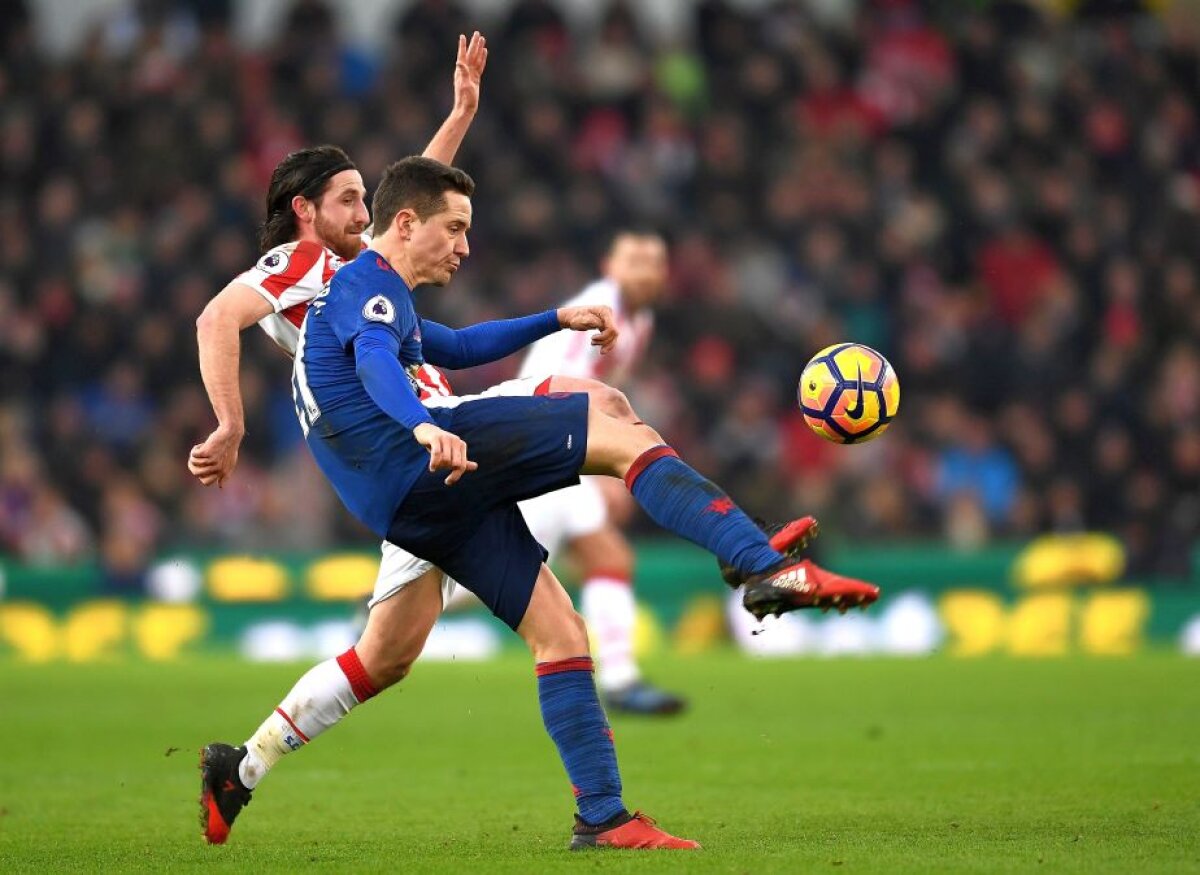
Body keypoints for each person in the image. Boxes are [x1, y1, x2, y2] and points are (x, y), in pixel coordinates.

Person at [279, 155, 880, 850]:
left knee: (561, 632)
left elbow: (460, 343)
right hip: (433, 455)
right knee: (621, 432)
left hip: (413, 504)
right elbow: (378, 361)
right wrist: (421, 423)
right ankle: (758, 566)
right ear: (407, 223)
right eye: (456, 228)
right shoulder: (364, 285)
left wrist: (554, 318)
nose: (466, 246)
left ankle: (603, 815)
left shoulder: (379, 296)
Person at [191, 32, 696, 847]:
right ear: (306, 213)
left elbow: (414, 203)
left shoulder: (374, 256)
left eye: (367, 202)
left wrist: (459, 113)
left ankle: (239, 767)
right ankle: (748, 554)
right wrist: (231, 420)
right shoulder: (299, 265)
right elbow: (218, 316)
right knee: (585, 397)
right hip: (418, 440)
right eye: (347, 201)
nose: (363, 214)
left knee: (385, 658)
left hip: (436, 439)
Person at [510, 230, 687, 715]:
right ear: (610, 266)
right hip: (538, 445)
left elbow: (605, 389)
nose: (647, 270)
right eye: (636, 260)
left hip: (564, 449)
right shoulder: (597, 312)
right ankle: (384, 603)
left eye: (656, 262)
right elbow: (563, 390)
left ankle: (622, 680)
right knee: (502, 572)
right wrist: (609, 465)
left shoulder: (640, 320)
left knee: (608, 557)